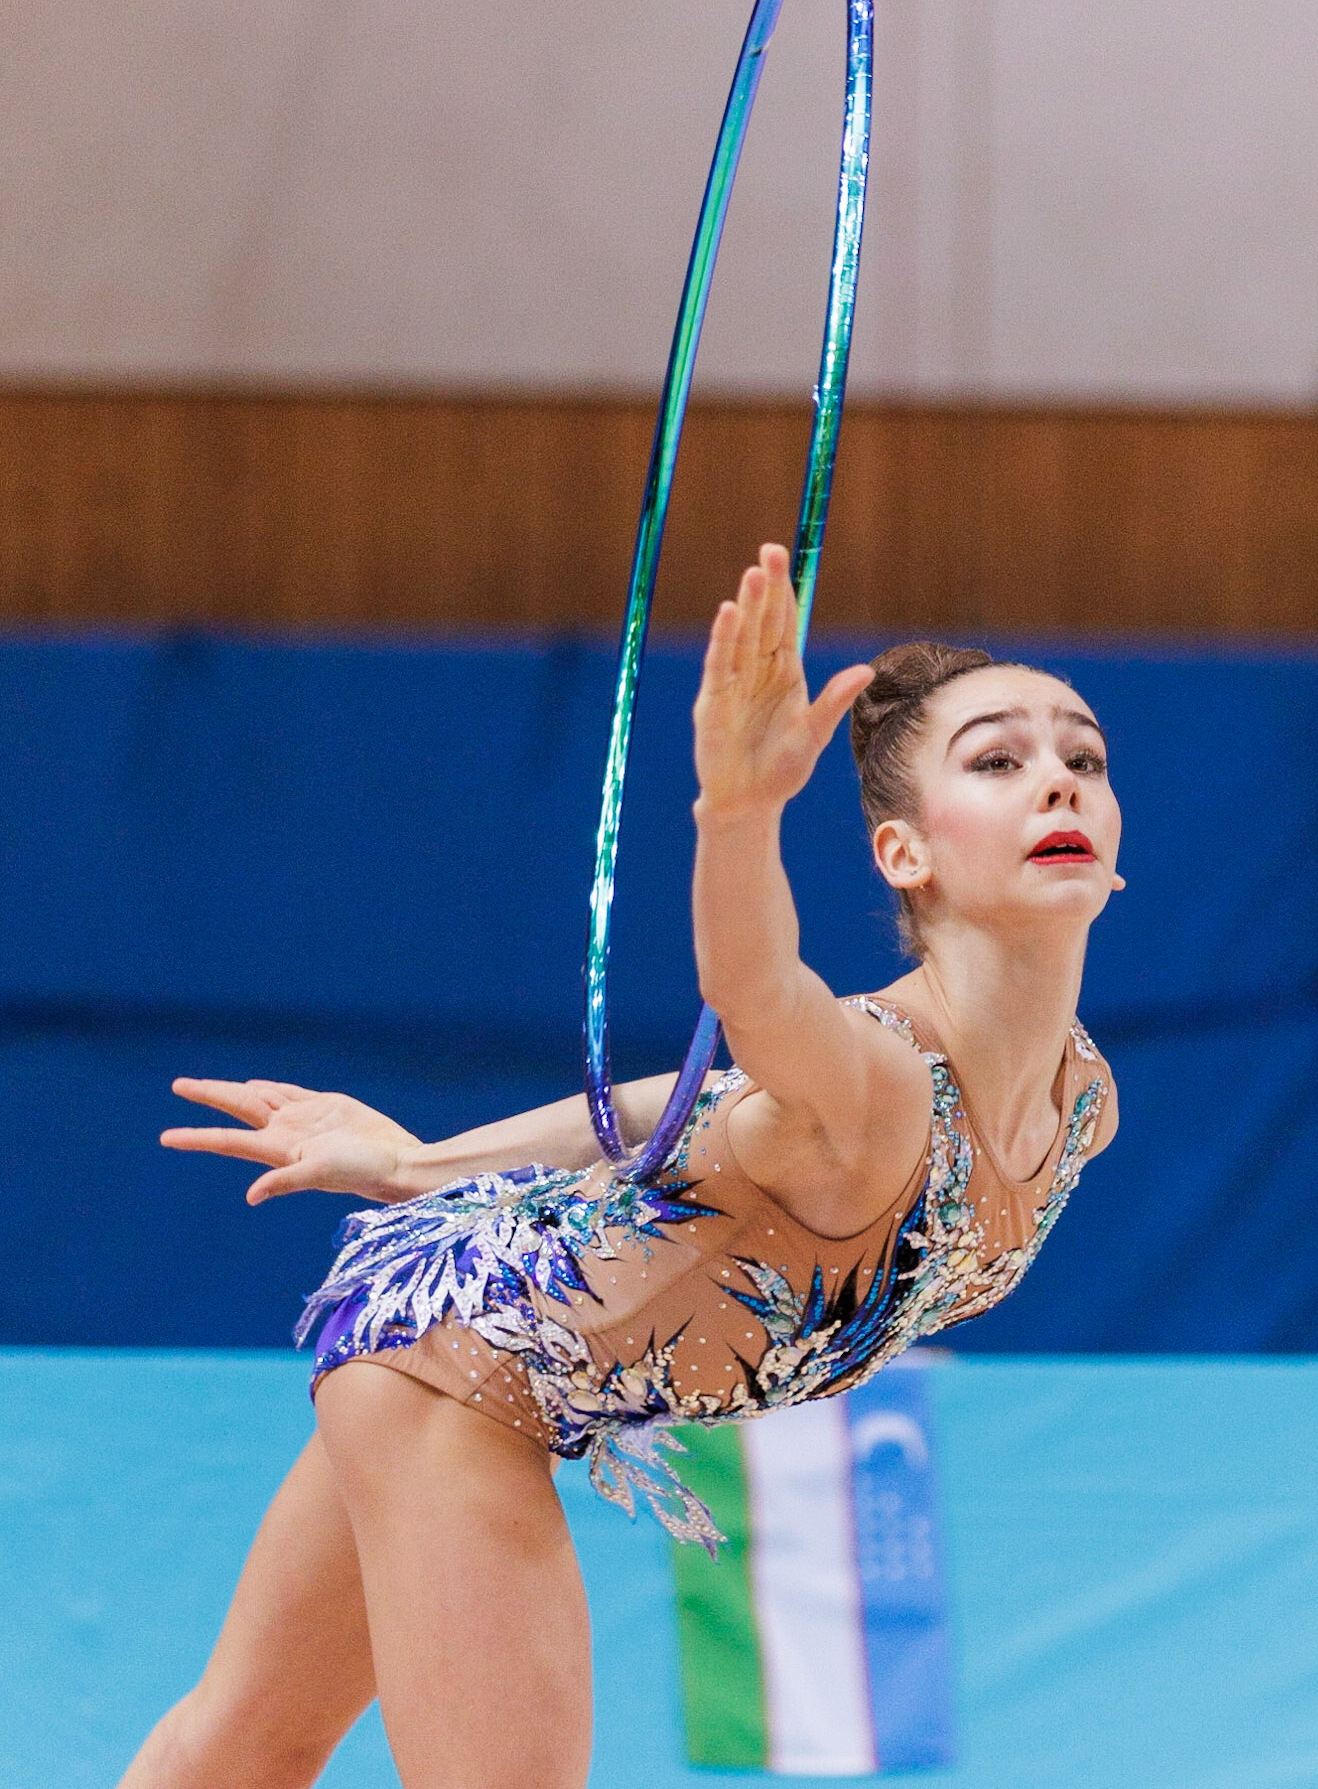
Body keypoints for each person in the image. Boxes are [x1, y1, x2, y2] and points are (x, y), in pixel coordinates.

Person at [119, 541, 1123, 1789]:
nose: (1059, 785)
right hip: (467, 1385)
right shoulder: (871, 1080)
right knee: (263, 1741)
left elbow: (681, 1101)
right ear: (904, 853)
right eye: (1000, 761)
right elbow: (752, 995)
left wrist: (412, 1156)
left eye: (1082, 756)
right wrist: (738, 814)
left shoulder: (1080, 1098)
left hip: (443, 1333)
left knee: (244, 1743)